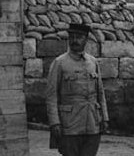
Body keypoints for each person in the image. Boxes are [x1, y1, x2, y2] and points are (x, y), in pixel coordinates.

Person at [46, 22, 109, 156]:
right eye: (72, 37)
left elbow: (100, 92)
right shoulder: (59, 63)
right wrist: (54, 123)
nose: (75, 40)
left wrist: (105, 118)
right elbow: (51, 96)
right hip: (70, 125)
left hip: (92, 123)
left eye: (79, 37)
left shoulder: (93, 62)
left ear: (86, 39)